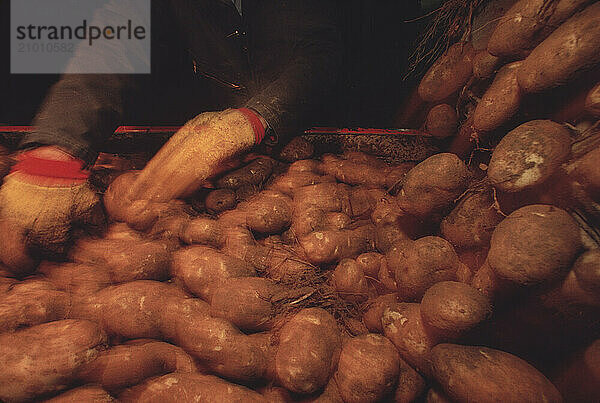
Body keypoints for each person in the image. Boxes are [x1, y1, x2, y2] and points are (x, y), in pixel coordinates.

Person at [0, 0, 341, 269]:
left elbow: (317, 54)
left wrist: (258, 118)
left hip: (305, 124)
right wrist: (57, 150)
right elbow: (117, 35)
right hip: (216, 137)